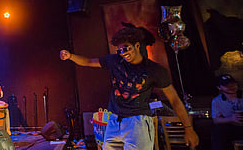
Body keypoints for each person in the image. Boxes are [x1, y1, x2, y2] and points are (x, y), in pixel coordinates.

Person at [60, 25, 199, 150]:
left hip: (137, 123)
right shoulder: (115, 61)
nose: (123, 53)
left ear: (137, 46)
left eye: (126, 48)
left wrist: (188, 128)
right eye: (119, 50)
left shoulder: (154, 70)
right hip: (114, 120)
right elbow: (89, 61)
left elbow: (174, 99)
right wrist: (70, 56)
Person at [211, 74, 243, 150]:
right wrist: (231, 118)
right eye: (227, 85)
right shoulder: (217, 101)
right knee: (218, 130)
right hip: (232, 129)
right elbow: (215, 120)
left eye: (233, 84)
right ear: (219, 87)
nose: (231, 87)